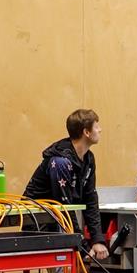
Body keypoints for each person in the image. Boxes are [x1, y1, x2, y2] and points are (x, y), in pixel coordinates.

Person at [24, 109, 109, 260]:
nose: (100, 129)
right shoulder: (60, 162)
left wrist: (97, 240)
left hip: (59, 224)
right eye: (97, 126)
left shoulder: (89, 159)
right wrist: (81, 244)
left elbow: (90, 199)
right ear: (86, 132)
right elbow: (65, 207)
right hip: (39, 225)